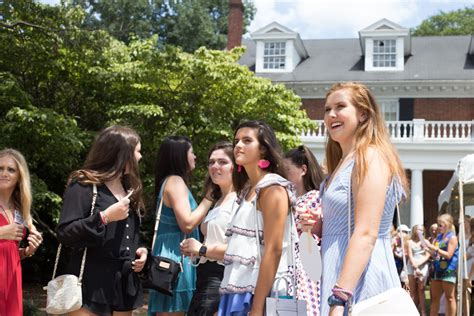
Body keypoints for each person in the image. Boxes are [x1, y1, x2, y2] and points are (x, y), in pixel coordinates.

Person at [319, 82, 408, 316]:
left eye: (340, 106)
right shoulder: (341, 163)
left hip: (362, 281)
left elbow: (367, 232)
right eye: (327, 109)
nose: (331, 115)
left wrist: (339, 296)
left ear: (363, 114)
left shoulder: (370, 156)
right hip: (338, 274)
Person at [57, 125, 148, 315]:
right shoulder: (84, 184)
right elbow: (65, 233)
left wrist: (141, 250)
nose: (140, 157)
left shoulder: (130, 187)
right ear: (122, 153)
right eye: (137, 151)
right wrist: (105, 217)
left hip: (123, 282)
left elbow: (130, 234)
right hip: (90, 282)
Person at [218, 120, 295, 316]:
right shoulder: (248, 189)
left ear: (263, 149)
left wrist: (257, 307)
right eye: (236, 141)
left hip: (258, 293)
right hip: (236, 290)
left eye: (246, 140)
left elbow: (274, 249)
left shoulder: (273, 188)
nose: (238, 146)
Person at [148, 136, 213, 316]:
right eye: (191, 152)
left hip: (170, 255)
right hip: (176, 257)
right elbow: (187, 223)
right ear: (180, 156)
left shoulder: (169, 181)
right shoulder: (175, 181)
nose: (195, 157)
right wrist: (208, 199)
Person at [180, 141, 237, 316]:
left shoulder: (241, 201)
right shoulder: (218, 200)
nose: (215, 166)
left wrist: (202, 249)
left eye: (222, 162)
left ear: (236, 167)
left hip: (222, 279)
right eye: (211, 162)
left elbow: (240, 250)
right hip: (204, 278)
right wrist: (195, 250)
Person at [0, 148, 43, 316]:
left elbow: (8, 251)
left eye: (11, 169)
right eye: (0, 168)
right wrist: (2, 232)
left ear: (20, 176)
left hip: (11, 280)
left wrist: (26, 251)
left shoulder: (20, 208)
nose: (4, 173)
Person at [284, 145, 325, 316]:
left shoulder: (314, 197)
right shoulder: (290, 199)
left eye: (286, 169)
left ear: (303, 170)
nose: (283, 174)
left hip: (305, 268)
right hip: (289, 265)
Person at [425, 213, 459, 316]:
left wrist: (435, 249)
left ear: (448, 224)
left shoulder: (452, 237)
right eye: (438, 225)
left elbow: (449, 255)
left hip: (448, 270)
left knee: (450, 297)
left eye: (441, 225)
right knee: (435, 298)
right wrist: (429, 250)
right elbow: (436, 255)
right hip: (437, 270)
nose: (438, 228)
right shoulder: (439, 237)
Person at [407, 225, 430, 316]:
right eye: (418, 230)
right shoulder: (409, 242)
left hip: (422, 265)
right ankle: (412, 310)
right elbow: (410, 255)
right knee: (413, 290)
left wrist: (419, 264)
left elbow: (428, 255)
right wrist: (415, 266)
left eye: (421, 230)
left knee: (421, 289)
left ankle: (423, 311)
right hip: (412, 266)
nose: (419, 231)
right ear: (414, 231)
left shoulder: (425, 242)